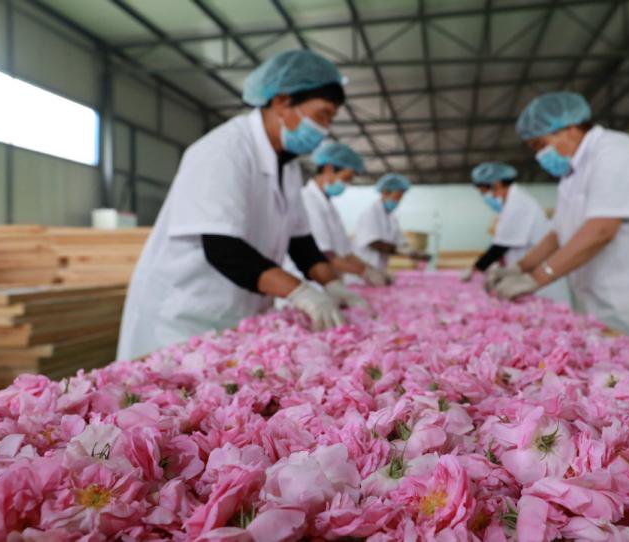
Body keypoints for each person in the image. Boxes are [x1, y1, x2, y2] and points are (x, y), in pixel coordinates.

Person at [118, 50, 365, 360]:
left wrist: (332, 284)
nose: (324, 130)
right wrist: (301, 292)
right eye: (321, 115)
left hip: (235, 315)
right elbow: (224, 250)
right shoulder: (223, 151)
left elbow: (301, 244)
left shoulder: (287, 166)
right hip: (183, 318)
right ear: (281, 101)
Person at [489, 91, 629, 375]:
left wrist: (535, 278)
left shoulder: (616, 153)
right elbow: (558, 234)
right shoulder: (572, 174)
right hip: (605, 295)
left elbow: (601, 229)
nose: (540, 155)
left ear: (569, 128)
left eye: (541, 144)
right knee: (627, 381)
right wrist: (518, 268)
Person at [462, 161, 570, 305]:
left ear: (497, 184)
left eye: (486, 192)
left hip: (539, 276)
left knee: (547, 312)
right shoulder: (511, 203)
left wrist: (476, 268)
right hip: (529, 270)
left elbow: (500, 247)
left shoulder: (518, 204)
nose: (488, 197)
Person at [286, 142, 391, 286]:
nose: (347, 184)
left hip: (329, 284)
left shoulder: (329, 207)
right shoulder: (307, 201)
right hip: (307, 284)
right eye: (346, 178)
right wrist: (364, 272)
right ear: (329, 169)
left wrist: (371, 269)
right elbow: (325, 255)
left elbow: (346, 253)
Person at [353, 173, 428, 271]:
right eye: (396, 197)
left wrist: (413, 252)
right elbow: (373, 242)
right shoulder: (370, 214)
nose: (398, 201)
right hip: (364, 268)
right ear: (385, 193)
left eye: (400, 198)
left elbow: (400, 241)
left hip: (379, 268)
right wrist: (402, 251)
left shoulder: (391, 218)